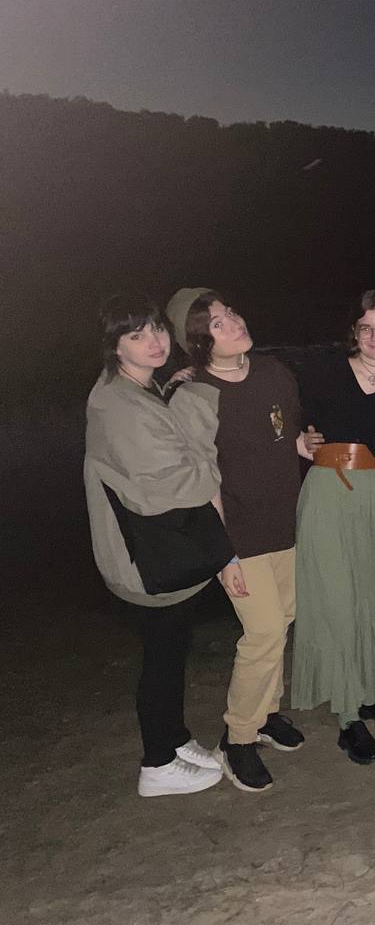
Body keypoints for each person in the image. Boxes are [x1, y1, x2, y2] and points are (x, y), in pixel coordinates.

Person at [167, 288, 319, 791]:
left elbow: (287, 438)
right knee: (265, 631)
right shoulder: (193, 396)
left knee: (285, 618)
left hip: (285, 522)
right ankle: (237, 740)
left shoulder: (274, 372)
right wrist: (223, 553)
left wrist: (312, 446)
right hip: (238, 536)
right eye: (217, 324)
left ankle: (266, 713)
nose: (234, 323)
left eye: (231, 313)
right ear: (198, 342)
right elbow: (201, 481)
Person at [84, 296, 226, 797]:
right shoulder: (118, 405)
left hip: (154, 551)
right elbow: (183, 482)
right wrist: (195, 403)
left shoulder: (131, 388)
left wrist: (171, 391)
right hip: (143, 558)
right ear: (115, 347)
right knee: (163, 655)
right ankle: (157, 764)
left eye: (157, 330)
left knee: (171, 648)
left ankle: (175, 736)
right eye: (137, 335)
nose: (155, 342)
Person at [291, 290, 375, 765]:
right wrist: (298, 440)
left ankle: (371, 691)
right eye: (366, 327)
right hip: (329, 493)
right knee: (337, 599)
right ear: (354, 332)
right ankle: (348, 713)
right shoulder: (324, 372)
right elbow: (279, 414)